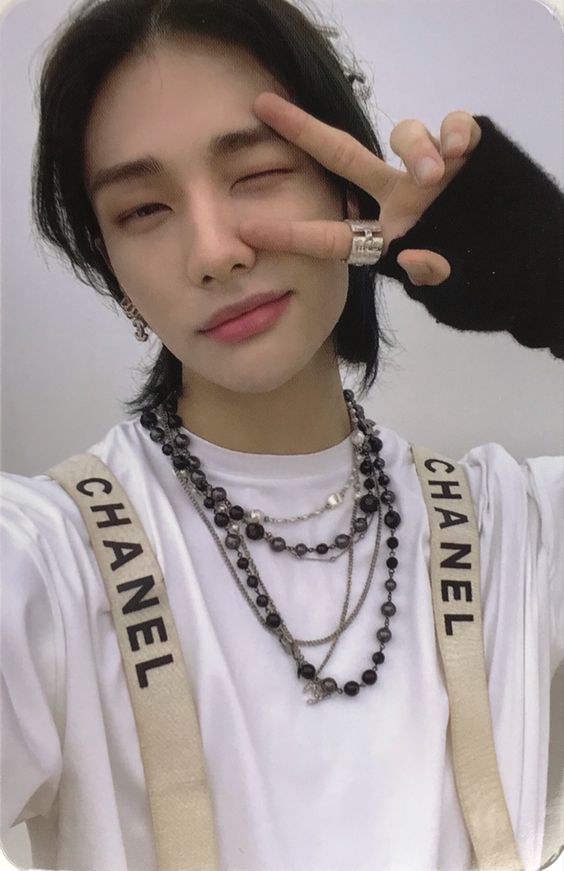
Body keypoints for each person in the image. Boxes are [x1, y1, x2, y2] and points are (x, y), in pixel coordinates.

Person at [1, 0, 562, 870]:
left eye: (257, 172)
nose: (214, 251)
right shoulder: (48, 559)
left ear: (348, 193)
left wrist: (552, 281)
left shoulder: (517, 531)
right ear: (112, 272)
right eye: (142, 210)